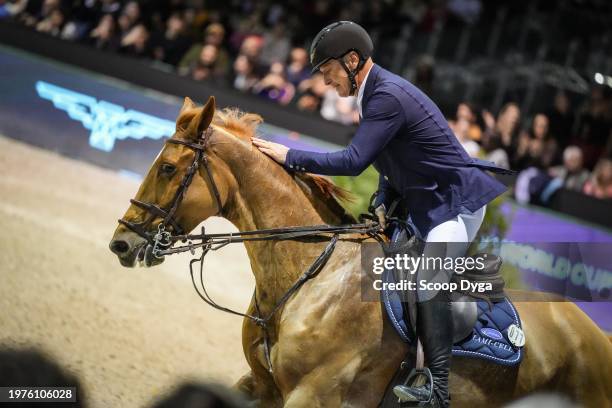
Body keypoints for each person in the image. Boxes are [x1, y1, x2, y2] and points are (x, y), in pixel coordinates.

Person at [251, 21, 511, 407]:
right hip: (426, 201)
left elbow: (355, 160)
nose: (326, 82)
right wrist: (383, 196)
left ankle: (437, 390)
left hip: (456, 205)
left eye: (329, 72)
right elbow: (399, 154)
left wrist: (290, 156)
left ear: (352, 60)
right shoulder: (373, 93)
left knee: (426, 280)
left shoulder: (385, 94)